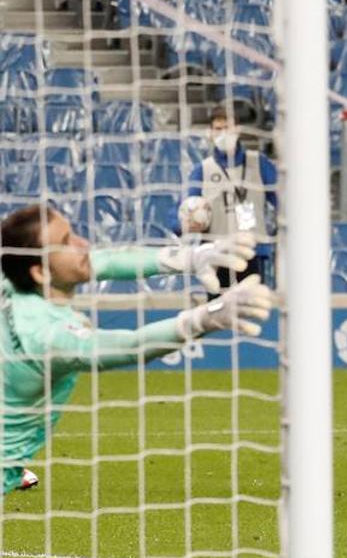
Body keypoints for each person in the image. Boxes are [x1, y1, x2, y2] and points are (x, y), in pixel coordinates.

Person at [1, 204, 268, 494]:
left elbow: (106, 261)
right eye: (66, 242)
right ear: (40, 273)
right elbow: (132, 346)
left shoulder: (12, 282)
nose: (83, 243)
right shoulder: (46, 336)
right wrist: (204, 318)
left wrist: (190, 257)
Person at [184, 107, 278, 288]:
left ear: (238, 130)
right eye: (218, 129)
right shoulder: (201, 170)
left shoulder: (259, 163)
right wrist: (187, 222)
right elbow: (188, 208)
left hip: (252, 251)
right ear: (210, 133)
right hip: (217, 253)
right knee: (218, 312)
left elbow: (282, 202)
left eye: (228, 127)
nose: (223, 133)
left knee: (250, 309)